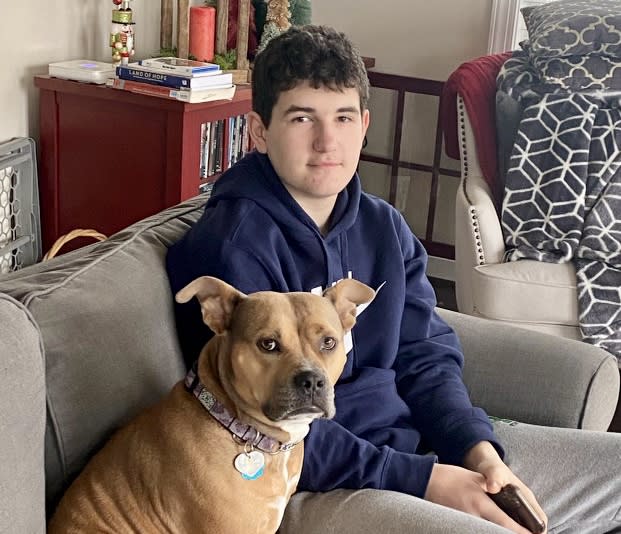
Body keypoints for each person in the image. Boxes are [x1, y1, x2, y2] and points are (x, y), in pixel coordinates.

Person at [166, 25, 621, 534]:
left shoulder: (384, 228)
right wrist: (426, 481)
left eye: (342, 118)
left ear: (364, 125)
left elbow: (425, 356)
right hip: (309, 480)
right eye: (301, 118)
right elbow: (241, 420)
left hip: (417, 451)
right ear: (259, 131)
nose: (326, 141)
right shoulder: (230, 247)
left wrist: (478, 451)